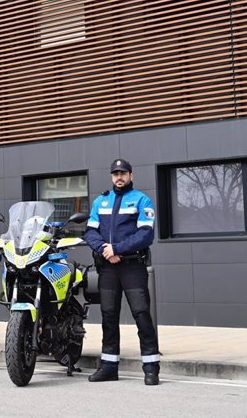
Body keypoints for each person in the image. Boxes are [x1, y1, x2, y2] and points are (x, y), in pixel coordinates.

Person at [84, 159, 160, 385]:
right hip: (108, 267)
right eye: (115, 173)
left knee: (141, 314)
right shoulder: (101, 201)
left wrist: (117, 248)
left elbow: (146, 234)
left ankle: (151, 367)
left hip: (132, 266)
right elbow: (90, 232)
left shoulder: (141, 200)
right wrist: (106, 251)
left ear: (131, 175)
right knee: (108, 316)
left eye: (123, 173)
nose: (119, 177)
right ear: (111, 176)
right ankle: (108, 366)